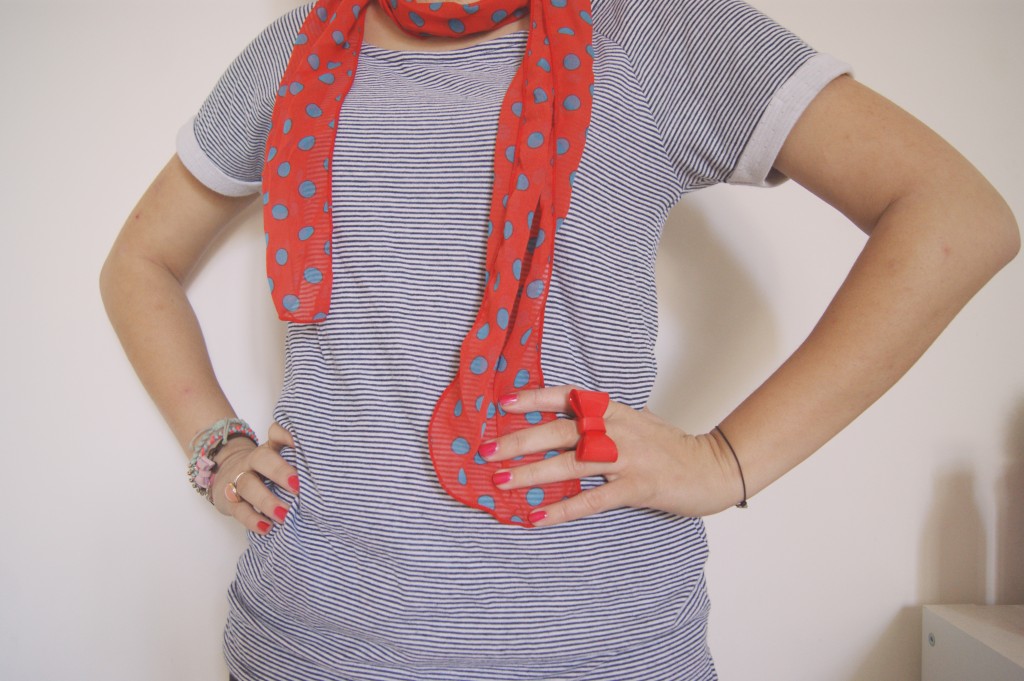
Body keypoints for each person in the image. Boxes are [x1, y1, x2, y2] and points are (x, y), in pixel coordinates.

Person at [99, 0, 1018, 679]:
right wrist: (216, 445)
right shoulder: (298, 53)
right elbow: (141, 263)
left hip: (600, 649)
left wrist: (726, 461)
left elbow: (955, 215)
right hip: (312, 641)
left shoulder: (653, 31)